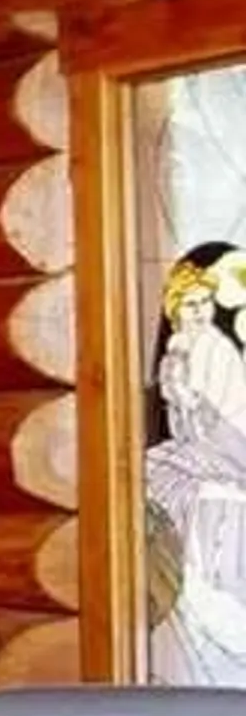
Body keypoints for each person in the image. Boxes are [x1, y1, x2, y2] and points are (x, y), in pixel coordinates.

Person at [142, 240, 246, 686]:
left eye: (206, 303)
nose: (198, 312)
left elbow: (224, 421)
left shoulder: (217, 353)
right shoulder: (181, 354)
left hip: (221, 457)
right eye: (189, 304)